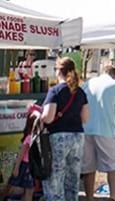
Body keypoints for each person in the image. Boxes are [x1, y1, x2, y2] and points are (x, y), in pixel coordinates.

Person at [37, 57, 89, 201]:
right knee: (72, 179)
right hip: (78, 137)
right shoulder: (80, 92)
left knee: (55, 178)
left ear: (59, 71)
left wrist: (38, 115)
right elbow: (85, 118)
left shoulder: (55, 91)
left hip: (59, 136)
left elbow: (48, 117)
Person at [81, 65, 115, 201]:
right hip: (105, 130)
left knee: (88, 168)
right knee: (112, 166)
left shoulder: (87, 84)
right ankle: (113, 197)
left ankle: (89, 197)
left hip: (86, 129)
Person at [1, 113, 37, 201]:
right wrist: (16, 167)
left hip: (30, 166)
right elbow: (21, 154)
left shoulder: (35, 137)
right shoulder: (29, 138)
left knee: (29, 191)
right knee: (17, 188)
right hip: (25, 165)